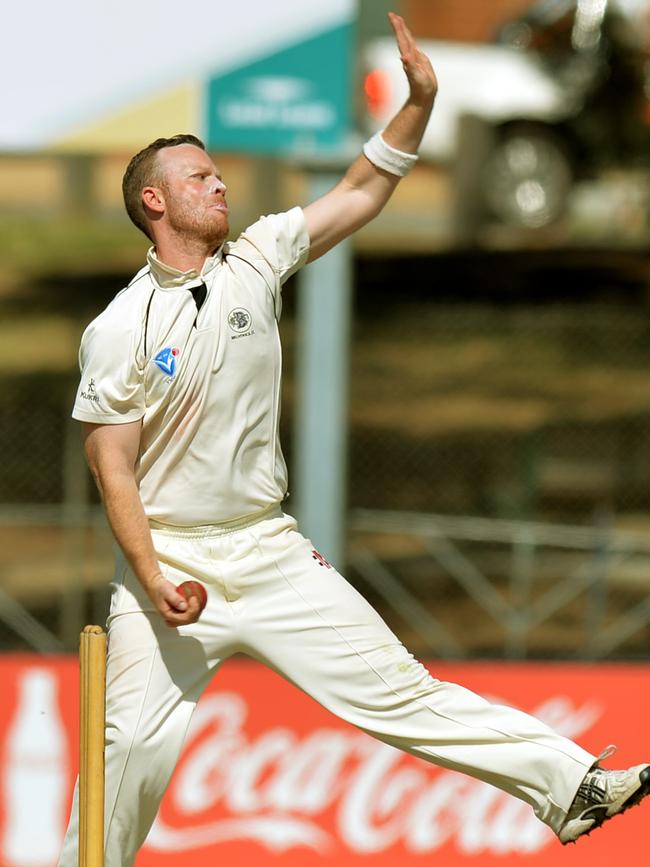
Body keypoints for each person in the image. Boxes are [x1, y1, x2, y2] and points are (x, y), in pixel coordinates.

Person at [58, 13, 648, 866]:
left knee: (403, 694)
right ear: (154, 202)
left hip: (267, 549)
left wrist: (421, 101)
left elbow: (363, 189)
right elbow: (109, 462)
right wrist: (152, 577)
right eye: (199, 178)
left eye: (219, 174)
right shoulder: (119, 326)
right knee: (125, 761)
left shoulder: (257, 258)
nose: (220, 186)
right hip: (169, 563)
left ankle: (572, 786)